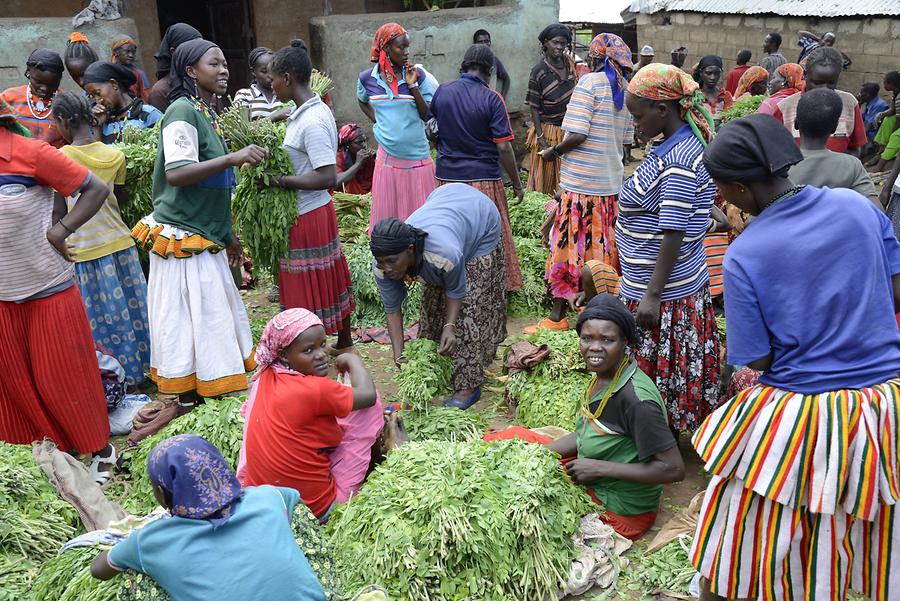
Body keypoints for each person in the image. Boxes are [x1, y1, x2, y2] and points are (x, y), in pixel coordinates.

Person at [692, 113, 900, 601]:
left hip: (804, 412)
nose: (719, 198)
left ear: (740, 190)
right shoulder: (857, 207)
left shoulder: (746, 253)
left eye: (720, 188)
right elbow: (894, 292)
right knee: (878, 532)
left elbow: (756, 360)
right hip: (884, 407)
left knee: (742, 546)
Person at [132, 39, 266, 409]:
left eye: (225, 63)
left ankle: (205, 388)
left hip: (205, 232)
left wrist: (230, 235)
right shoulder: (181, 112)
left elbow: (212, 188)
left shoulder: (204, 111)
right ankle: (189, 393)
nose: (224, 70)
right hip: (183, 234)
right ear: (191, 71)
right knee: (192, 319)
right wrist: (233, 159)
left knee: (206, 318)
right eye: (214, 64)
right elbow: (178, 173)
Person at [0, 97, 116, 483]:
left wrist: (59, 229)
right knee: (17, 385)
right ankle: (47, 455)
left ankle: (100, 448)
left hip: (47, 289)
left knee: (64, 378)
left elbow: (94, 189)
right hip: (3, 297)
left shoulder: (29, 154)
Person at [90, 434, 328, 601]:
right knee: (291, 517)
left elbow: (99, 569)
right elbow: (293, 497)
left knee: (136, 574)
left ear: (162, 494)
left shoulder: (150, 541)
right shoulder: (270, 496)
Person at [618, 64, 725, 432]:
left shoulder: (678, 159)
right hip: (671, 284)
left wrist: (651, 295)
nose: (634, 124)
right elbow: (684, 203)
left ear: (663, 109)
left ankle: (655, 439)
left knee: (657, 374)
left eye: (637, 115)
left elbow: (673, 231)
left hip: (663, 293)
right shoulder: (677, 144)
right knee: (672, 371)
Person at [548, 295, 685, 539]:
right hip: (598, 475)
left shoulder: (637, 401)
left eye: (607, 340)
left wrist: (599, 468)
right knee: (514, 442)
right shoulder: (605, 376)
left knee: (541, 506)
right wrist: (538, 454)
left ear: (624, 342)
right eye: (587, 338)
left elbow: (673, 469)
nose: (595, 348)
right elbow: (584, 434)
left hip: (622, 509)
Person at [525, 33, 634, 333]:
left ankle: (557, 316)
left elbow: (577, 134)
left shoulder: (588, 84)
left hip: (581, 187)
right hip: (609, 185)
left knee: (568, 245)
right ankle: (602, 317)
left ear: (598, 58)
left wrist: (553, 152)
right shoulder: (624, 91)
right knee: (601, 249)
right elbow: (626, 144)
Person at [371, 184, 506, 409]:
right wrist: (399, 355)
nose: (387, 268)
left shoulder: (444, 253)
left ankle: (468, 385)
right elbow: (393, 309)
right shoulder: (382, 266)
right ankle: (441, 367)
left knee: (470, 305)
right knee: (432, 302)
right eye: (381, 262)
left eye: (392, 261)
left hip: (480, 219)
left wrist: (450, 325)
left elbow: (456, 290)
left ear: (411, 250)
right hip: (445, 201)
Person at [240, 309, 382, 521]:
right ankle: (368, 473)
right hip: (313, 511)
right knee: (368, 407)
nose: (321, 354)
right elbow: (367, 396)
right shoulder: (313, 390)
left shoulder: (264, 377)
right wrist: (353, 360)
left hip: (262, 504)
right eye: (308, 350)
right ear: (284, 355)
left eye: (323, 344)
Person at [263, 40, 356, 353]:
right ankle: (344, 340)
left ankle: (305, 350)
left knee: (308, 281)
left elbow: (327, 176)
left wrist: (280, 181)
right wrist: (283, 115)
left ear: (288, 78)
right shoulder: (309, 110)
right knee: (327, 274)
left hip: (308, 215)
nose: (270, 83)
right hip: (312, 212)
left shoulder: (313, 121)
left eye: (273, 78)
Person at [53, 91, 151, 385]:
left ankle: (110, 377)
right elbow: (118, 198)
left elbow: (60, 208)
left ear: (63, 121)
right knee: (131, 313)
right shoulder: (115, 154)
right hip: (120, 243)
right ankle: (140, 371)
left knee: (98, 320)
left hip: (83, 248)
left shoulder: (62, 158)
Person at [429, 43, 524, 292]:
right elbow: (504, 148)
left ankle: (451, 283)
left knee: (451, 233)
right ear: (490, 70)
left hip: (447, 180)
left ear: (464, 65)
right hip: (483, 181)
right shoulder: (493, 99)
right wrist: (516, 183)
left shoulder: (442, 91)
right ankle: (488, 287)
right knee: (488, 237)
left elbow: (432, 129)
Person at [358, 23, 437, 232]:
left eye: (407, 47)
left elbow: (427, 114)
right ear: (385, 49)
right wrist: (379, 122)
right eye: (400, 47)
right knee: (389, 225)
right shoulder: (367, 78)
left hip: (418, 159)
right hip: (387, 162)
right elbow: (362, 101)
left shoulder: (417, 75)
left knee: (421, 224)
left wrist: (413, 87)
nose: (406, 52)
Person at [771, 47, 867, 155]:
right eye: (817, 82)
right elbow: (773, 153)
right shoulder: (784, 108)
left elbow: (855, 148)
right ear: (805, 75)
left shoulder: (849, 103)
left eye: (831, 82)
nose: (824, 89)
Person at [788, 88, 877, 202]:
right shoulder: (852, 166)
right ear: (834, 127)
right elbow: (876, 210)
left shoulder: (778, 165)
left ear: (795, 123)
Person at [525, 23, 577, 195]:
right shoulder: (539, 71)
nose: (560, 47)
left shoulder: (569, 64)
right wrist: (541, 140)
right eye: (556, 43)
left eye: (563, 44)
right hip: (548, 130)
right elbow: (534, 107)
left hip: (568, 130)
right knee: (545, 182)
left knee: (566, 178)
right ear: (546, 43)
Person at [82, 62, 162, 143]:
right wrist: (97, 126)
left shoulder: (148, 114)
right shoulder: (103, 122)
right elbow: (98, 154)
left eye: (98, 93)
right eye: (93, 96)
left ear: (114, 84)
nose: (97, 100)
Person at [1, 49, 66, 147]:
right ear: (28, 72)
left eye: (52, 84)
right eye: (38, 82)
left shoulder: (66, 104)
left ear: (59, 79)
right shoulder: (9, 98)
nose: (44, 88)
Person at [148, 23, 203, 112]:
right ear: (173, 52)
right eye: (192, 48)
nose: (198, 53)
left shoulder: (203, 82)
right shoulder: (160, 91)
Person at [233, 47, 283, 120]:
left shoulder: (283, 94)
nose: (270, 75)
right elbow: (242, 129)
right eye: (264, 71)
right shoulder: (244, 95)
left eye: (273, 70)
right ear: (253, 71)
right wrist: (275, 116)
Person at [868, 72, 900, 171]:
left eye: (885, 82)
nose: (883, 84)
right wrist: (881, 114)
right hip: (898, 118)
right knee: (887, 120)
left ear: (890, 84)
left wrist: (892, 133)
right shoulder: (896, 93)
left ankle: (880, 165)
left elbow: (899, 120)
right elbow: (892, 110)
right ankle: (880, 153)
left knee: (896, 136)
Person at [335, 123, 375, 194]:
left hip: (366, 195)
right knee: (349, 180)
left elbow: (372, 179)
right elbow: (335, 182)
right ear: (347, 145)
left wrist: (375, 160)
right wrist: (357, 164)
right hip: (347, 197)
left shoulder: (367, 157)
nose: (364, 145)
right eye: (359, 142)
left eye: (364, 141)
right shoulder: (338, 157)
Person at [110, 35, 151, 103]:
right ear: (116, 52)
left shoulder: (139, 74)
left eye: (133, 52)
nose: (131, 55)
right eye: (127, 51)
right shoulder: (109, 72)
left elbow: (146, 96)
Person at [473, 29, 511, 98]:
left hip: (490, 102)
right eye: (480, 42)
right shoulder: (469, 62)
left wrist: (502, 98)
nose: (484, 44)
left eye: (486, 41)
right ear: (475, 45)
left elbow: (506, 79)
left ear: (490, 43)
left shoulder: (494, 60)